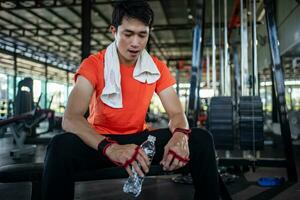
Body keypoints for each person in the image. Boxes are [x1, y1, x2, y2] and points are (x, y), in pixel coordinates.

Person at [42, 1, 219, 199]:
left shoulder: (157, 68)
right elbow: (71, 118)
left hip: (139, 143)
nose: (135, 43)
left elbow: (177, 113)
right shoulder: (93, 64)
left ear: (149, 33)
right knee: (59, 146)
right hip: (99, 143)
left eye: (142, 35)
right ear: (113, 31)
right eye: (128, 34)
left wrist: (180, 136)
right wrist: (110, 148)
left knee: (201, 139)